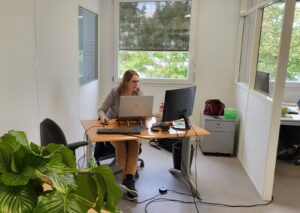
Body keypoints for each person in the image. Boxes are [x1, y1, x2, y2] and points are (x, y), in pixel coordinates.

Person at [98, 70, 142, 201]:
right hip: (115, 127)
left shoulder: (138, 92)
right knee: (121, 146)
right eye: (134, 81)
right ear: (126, 82)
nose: (137, 84)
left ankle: (128, 180)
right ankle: (128, 181)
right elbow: (101, 110)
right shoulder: (115, 92)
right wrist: (102, 116)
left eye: (138, 81)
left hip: (132, 126)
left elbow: (143, 109)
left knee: (135, 144)